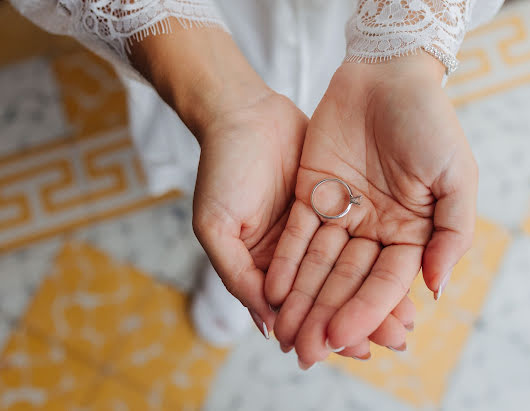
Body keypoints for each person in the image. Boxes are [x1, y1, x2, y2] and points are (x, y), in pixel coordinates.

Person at [13, 0, 504, 369]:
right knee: (225, 174)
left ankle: (254, 272)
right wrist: (225, 102)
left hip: (362, 37)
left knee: (251, 189)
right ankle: (248, 260)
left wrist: (402, 56)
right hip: (206, 36)